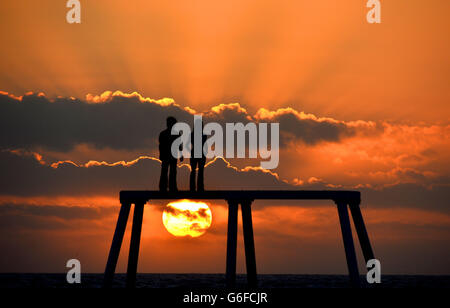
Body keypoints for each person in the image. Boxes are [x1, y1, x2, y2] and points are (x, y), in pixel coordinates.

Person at [159, 116, 183, 191]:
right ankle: (171, 187)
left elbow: (161, 146)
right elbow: (161, 145)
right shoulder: (174, 134)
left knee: (167, 171)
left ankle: (164, 187)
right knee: (170, 171)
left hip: (169, 155)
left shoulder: (163, 133)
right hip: (170, 155)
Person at [190, 117, 207, 191]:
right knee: (200, 171)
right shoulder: (203, 135)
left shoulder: (192, 134)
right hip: (201, 153)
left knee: (194, 170)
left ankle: (192, 187)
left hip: (194, 153)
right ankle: (200, 187)